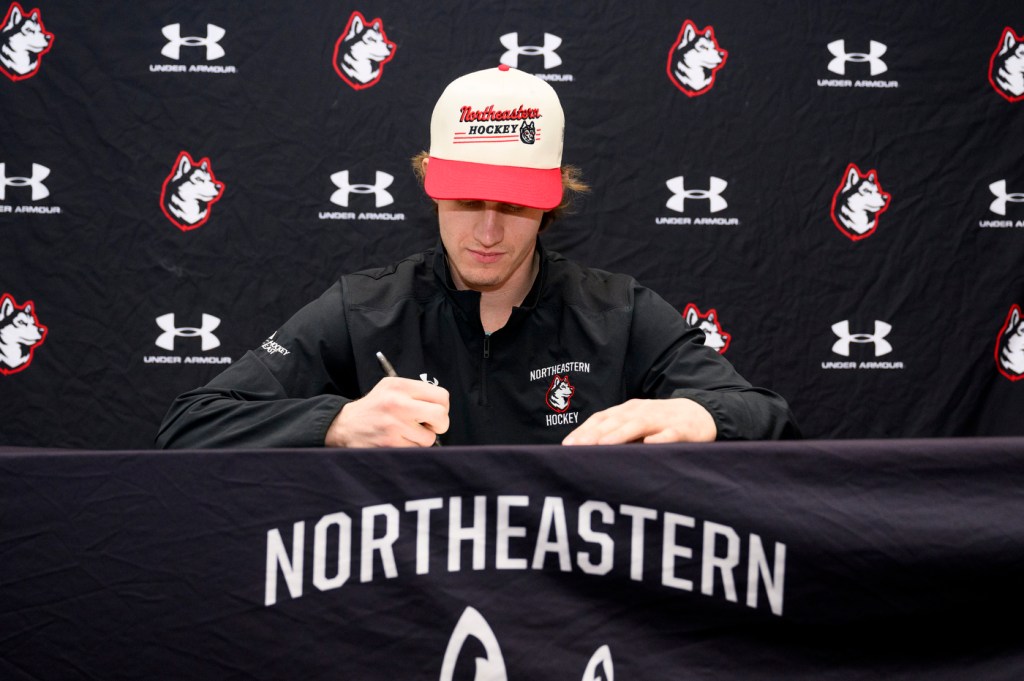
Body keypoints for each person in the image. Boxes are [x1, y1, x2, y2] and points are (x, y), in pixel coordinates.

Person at [156, 65, 799, 449]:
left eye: (515, 206)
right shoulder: (366, 307)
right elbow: (191, 425)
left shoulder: (619, 312)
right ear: (431, 187)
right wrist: (337, 423)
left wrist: (695, 414)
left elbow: (769, 416)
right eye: (467, 200)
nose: (488, 232)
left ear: (551, 205)